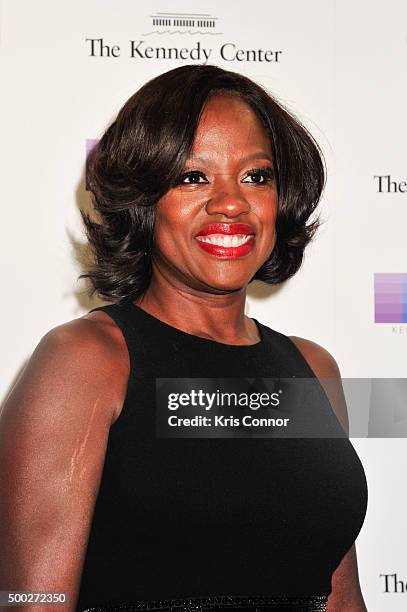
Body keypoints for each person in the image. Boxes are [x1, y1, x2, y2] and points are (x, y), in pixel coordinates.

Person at [0, 65, 368, 612]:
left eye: (257, 176)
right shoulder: (87, 361)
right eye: (194, 177)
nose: (230, 203)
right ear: (144, 199)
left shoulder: (313, 368)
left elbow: (340, 599)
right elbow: (34, 603)